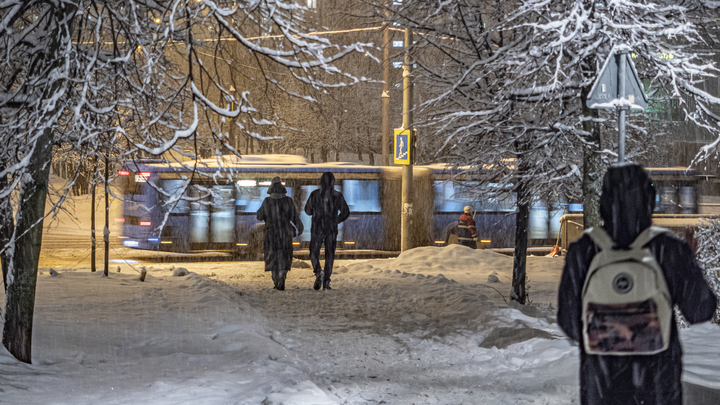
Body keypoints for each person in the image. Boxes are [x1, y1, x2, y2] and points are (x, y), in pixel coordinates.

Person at [557, 164, 717, 405]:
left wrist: (608, 333)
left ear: (604, 202)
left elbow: (568, 321)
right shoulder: (669, 250)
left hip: (601, 390)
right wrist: (689, 263)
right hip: (658, 389)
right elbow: (700, 310)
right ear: (649, 201)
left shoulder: (583, 250)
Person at [304, 172, 350, 290]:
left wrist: (317, 212)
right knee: (329, 255)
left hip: (317, 228)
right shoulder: (337, 195)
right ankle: (326, 281)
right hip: (331, 230)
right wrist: (335, 221)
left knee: (314, 252)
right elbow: (346, 212)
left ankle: (318, 272)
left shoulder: (314, 194)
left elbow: (307, 211)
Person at [256, 177, 303, 291]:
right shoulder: (288, 201)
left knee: (272, 255)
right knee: (285, 255)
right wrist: (299, 227)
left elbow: (259, 216)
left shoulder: (267, 201)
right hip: (285, 233)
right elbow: (294, 216)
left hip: (271, 234)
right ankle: (283, 274)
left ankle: (276, 278)